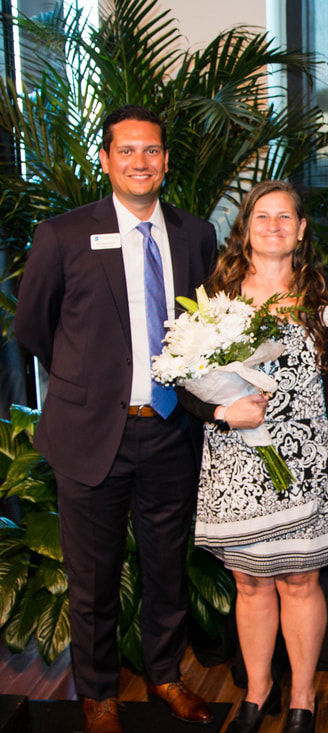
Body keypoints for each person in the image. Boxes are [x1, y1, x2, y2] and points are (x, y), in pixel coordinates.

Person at [13, 105, 217, 733]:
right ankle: (98, 695)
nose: (140, 162)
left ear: (164, 161)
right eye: (126, 151)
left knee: (165, 567)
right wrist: (88, 379)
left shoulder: (194, 234)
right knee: (93, 577)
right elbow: (33, 327)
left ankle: (162, 675)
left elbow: (207, 330)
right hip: (91, 432)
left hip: (170, 429)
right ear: (105, 160)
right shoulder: (63, 234)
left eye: (151, 151)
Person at [184, 180, 328, 733]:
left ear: (301, 230)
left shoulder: (325, 299)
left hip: (303, 461)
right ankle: (256, 692)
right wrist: (223, 415)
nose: (273, 226)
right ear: (245, 229)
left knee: (300, 581)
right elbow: (183, 379)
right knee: (249, 583)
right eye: (261, 217)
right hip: (235, 459)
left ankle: (303, 699)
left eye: (285, 217)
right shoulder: (215, 297)